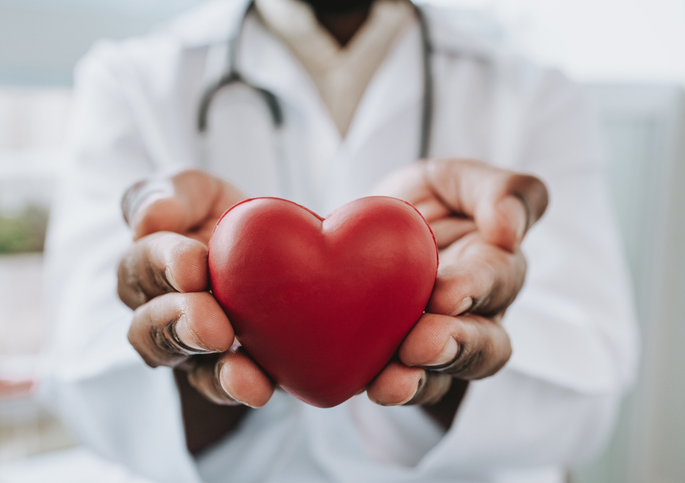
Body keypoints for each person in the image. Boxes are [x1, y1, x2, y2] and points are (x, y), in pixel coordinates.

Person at [40, 0, 639, 482]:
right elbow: (92, 396)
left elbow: (583, 403)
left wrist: (441, 333)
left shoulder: (534, 90)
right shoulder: (129, 79)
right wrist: (188, 339)